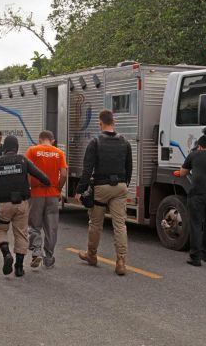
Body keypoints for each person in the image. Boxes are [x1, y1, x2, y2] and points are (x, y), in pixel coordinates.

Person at [0, 135, 50, 277]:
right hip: (22, 204)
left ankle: (6, 254)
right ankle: (19, 267)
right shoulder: (23, 160)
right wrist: (47, 183)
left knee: (0, 230)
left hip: (3, 205)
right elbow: (42, 177)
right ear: (16, 147)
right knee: (21, 234)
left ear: (4, 148)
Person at [74, 110, 132, 276]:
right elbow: (129, 167)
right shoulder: (125, 142)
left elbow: (87, 169)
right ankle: (121, 262)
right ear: (114, 122)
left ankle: (91, 255)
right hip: (120, 187)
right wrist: (124, 184)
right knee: (120, 225)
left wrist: (80, 190)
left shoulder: (95, 142)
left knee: (95, 224)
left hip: (101, 187)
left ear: (100, 123)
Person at [178, 135, 206, 267]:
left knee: (196, 225)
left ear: (200, 146)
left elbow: (182, 173)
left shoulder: (194, 155)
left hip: (198, 194)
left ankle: (195, 258)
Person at [25, 130, 68, 269]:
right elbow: (64, 174)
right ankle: (49, 257)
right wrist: (58, 189)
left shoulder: (32, 151)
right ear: (52, 140)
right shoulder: (59, 153)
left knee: (34, 225)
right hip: (52, 194)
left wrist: (29, 188)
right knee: (51, 227)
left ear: (39, 140)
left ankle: (37, 251)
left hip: (36, 193)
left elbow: (27, 172)